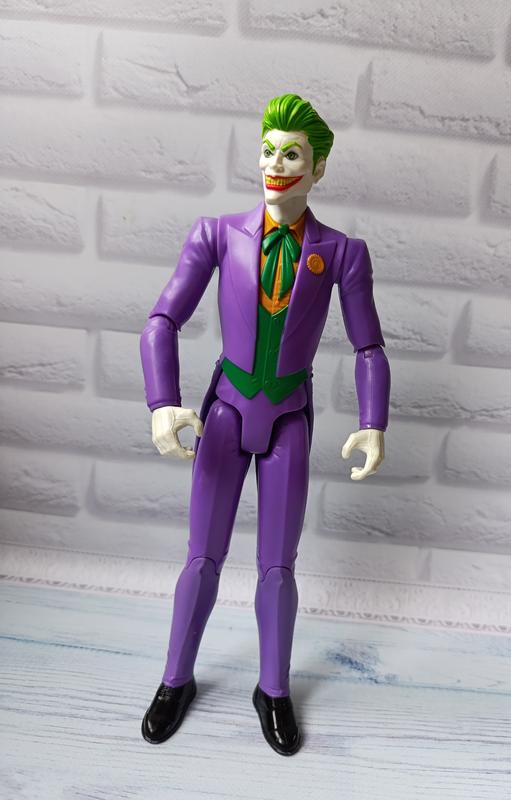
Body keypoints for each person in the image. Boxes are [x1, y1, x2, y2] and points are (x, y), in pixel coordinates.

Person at [139, 93, 391, 756]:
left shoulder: (342, 252)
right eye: (269, 150)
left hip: (287, 420)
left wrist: (374, 420)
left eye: (293, 154)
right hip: (225, 414)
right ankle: (175, 678)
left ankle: (273, 688)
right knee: (201, 558)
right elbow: (161, 320)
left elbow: (368, 346)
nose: (277, 165)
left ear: (318, 167)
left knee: (278, 567)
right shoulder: (217, 234)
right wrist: (162, 400)